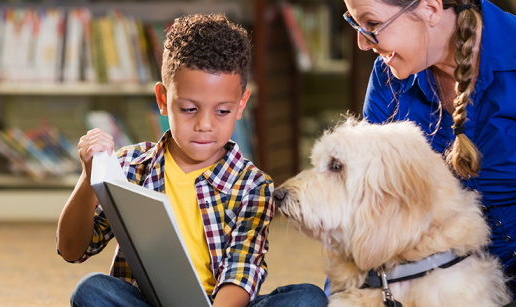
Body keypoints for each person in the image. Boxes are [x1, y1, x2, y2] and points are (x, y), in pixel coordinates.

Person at [340, 0, 516, 306]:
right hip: (458, 285)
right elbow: (367, 205)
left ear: (430, 9)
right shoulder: (387, 82)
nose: (362, 42)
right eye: (354, 22)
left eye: (372, 24)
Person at [56, 14, 327, 307]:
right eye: (188, 109)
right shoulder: (132, 166)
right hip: (148, 302)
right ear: (163, 100)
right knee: (92, 290)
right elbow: (73, 250)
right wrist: (88, 177)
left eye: (222, 111)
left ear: (241, 105)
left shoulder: (254, 185)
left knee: (307, 298)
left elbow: (242, 272)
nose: (205, 125)